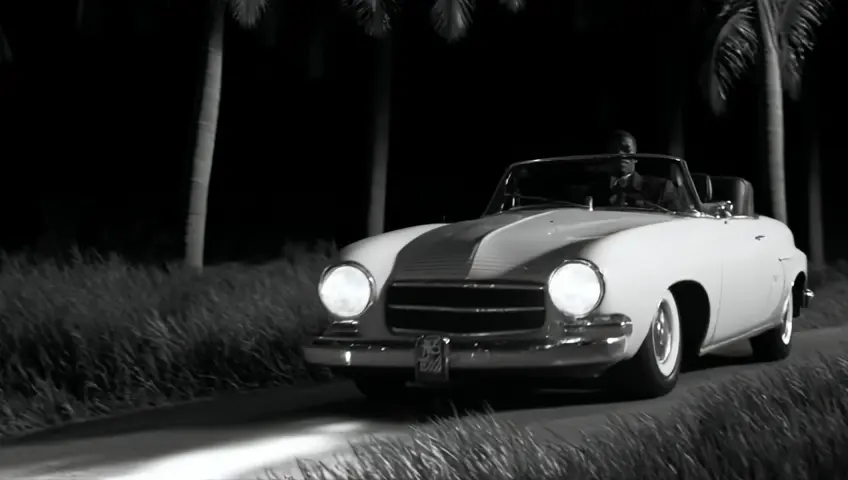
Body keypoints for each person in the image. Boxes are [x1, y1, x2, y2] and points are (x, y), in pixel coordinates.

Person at [587, 130, 683, 210]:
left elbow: (677, 223)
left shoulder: (661, 188)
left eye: (626, 150)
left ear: (636, 158)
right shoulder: (594, 191)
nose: (620, 154)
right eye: (613, 151)